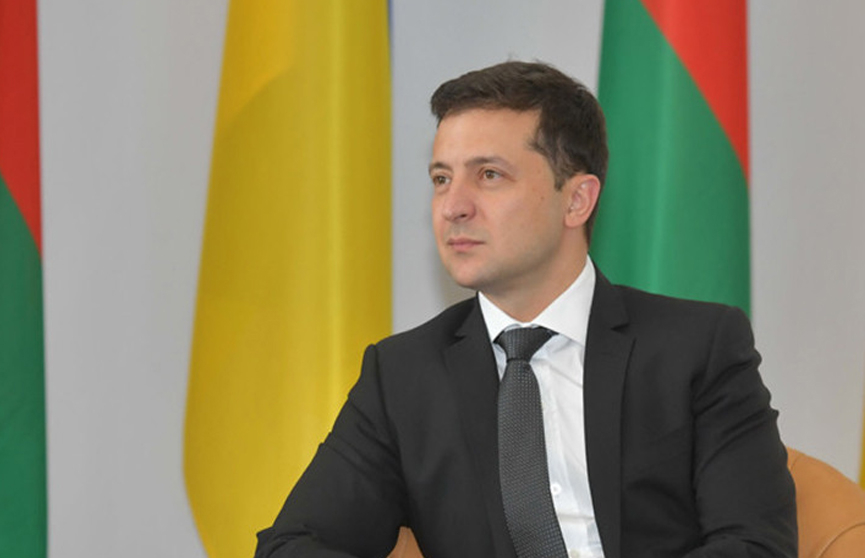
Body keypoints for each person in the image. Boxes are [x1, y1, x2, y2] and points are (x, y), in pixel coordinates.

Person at [254, 61, 797, 558]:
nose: (453, 206)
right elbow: (291, 546)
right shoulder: (402, 375)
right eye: (441, 179)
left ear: (576, 200)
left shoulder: (697, 347)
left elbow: (755, 544)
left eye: (489, 175)